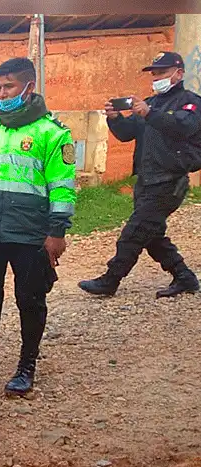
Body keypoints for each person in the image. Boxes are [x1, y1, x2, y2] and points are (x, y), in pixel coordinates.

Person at [0, 57, 77, 397]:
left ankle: (26, 367)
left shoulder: (52, 134)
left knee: (30, 300)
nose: (2, 93)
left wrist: (57, 231)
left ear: (29, 87)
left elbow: (63, 187)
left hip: (30, 233)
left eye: (9, 86)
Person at [79, 51, 201, 299]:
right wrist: (115, 119)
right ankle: (184, 277)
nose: (156, 78)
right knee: (151, 234)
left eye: (162, 73)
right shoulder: (149, 103)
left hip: (169, 181)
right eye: (154, 74)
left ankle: (110, 280)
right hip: (145, 180)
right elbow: (126, 133)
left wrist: (149, 113)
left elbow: (184, 127)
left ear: (178, 73)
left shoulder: (189, 102)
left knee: (134, 233)